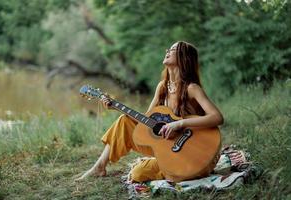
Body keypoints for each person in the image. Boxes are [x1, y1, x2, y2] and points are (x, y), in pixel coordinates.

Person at [75, 41, 224, 182]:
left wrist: (179, 124)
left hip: (197, 154)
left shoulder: (191, 88)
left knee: (137, 173)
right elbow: (146, 119)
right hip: (170, 147)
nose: (167, 51)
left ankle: (174, 169)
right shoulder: (162, 87)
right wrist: (114, 106)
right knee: (124, 121)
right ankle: (99, 167)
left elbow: (217, 117)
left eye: (172, 50)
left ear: (183, 58)